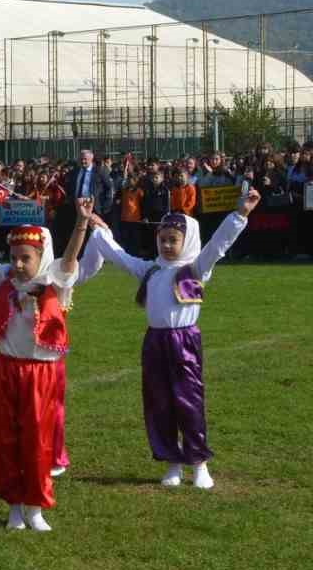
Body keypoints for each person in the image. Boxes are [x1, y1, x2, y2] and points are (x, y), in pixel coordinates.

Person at [84, 192, 257, 488]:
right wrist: (97, 226)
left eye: (172, 240)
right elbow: (118, 255)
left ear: (186, 241)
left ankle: (199, 463)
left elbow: (218, 246)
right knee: (159, 403)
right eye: (162, 240)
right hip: (154, 343)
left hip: (184, 343)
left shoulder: (195, 269)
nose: (166, 245)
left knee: (189, 401)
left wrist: (240, 214)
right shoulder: (149, 270)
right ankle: (172, 462)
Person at [0, 200, 91, 532]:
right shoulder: (3, 281)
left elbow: (71, 259)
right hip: (5, 370)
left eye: (25, 258)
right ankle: (13, 505)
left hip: (42, 373)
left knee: (38, 440)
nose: (17, 264)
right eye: (14, 257)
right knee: (5, 438)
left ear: (40, 258)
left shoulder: (55, 285)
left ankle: (34, 506)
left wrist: (81, 224)